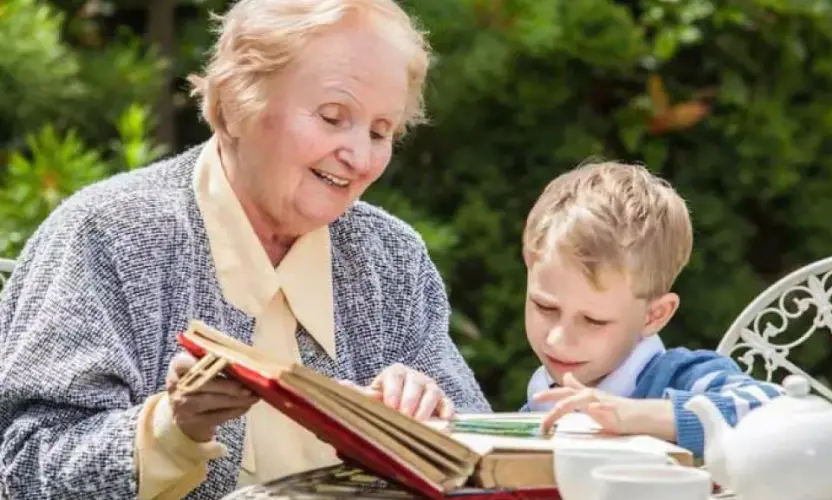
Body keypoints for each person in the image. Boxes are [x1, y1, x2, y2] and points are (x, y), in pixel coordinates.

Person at [0, 1, 490, 498]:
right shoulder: (108, 234)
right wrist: (171, 427)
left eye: (381, 132)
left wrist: (430, 419)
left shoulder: (392, 257)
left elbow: (486, 463)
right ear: (236, 104)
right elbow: (21, 469)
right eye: (333, 117)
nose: (360, 157)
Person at [518, 161, 783, 458]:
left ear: (654, 315)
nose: (557, 339)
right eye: (545, 306)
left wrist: (639, 416)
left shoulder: (681, 377)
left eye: (593, 321)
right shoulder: (539, 398)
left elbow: (779, 411)